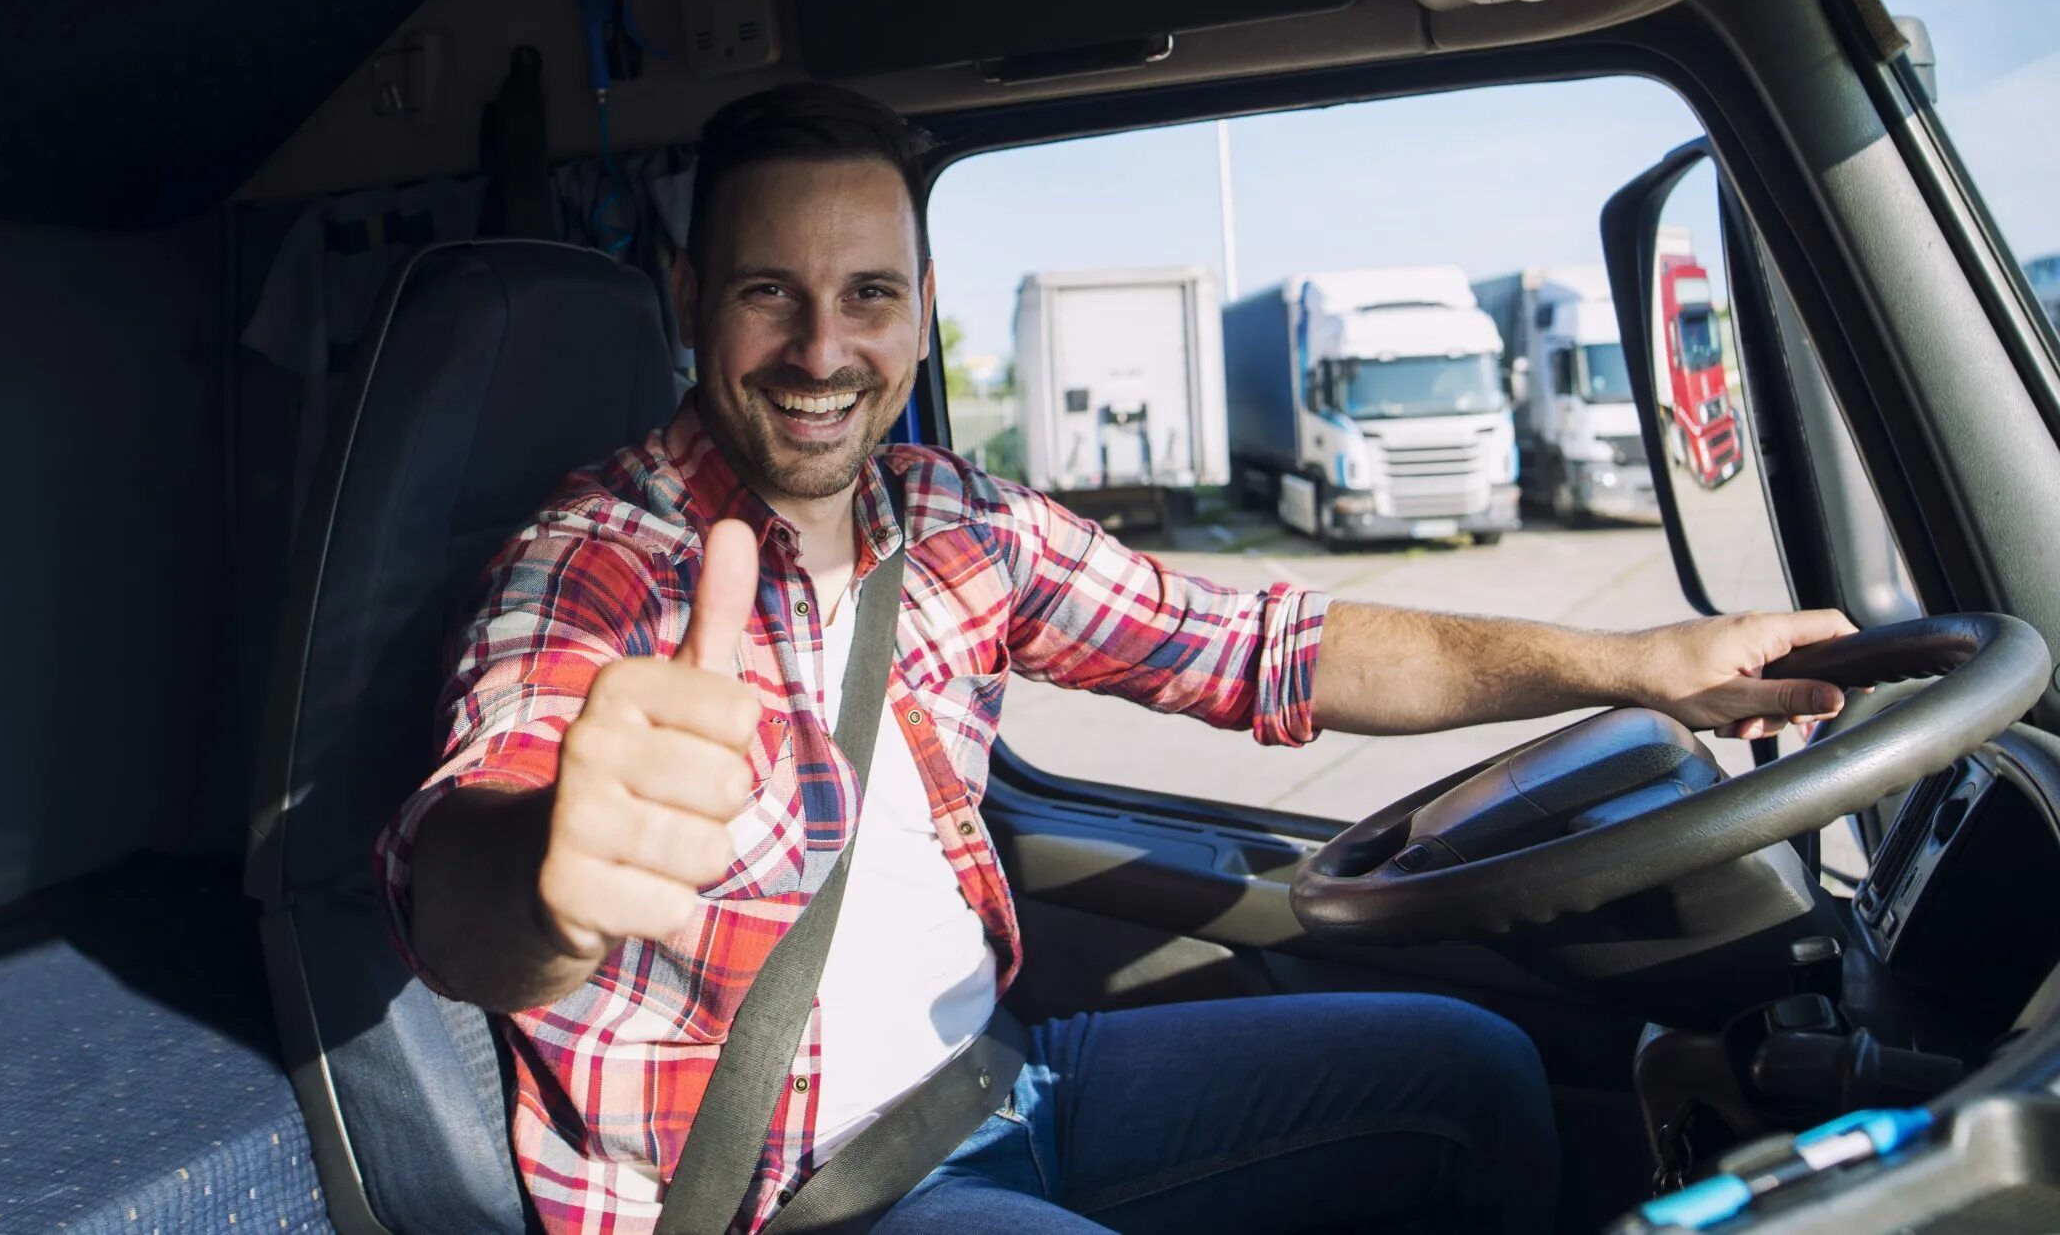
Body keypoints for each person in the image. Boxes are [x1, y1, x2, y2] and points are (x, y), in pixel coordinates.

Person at [378, 84, 1853, 1235]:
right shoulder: (600, 559)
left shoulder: (951, 523)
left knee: (1480, 1075)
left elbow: (1273, 646)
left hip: (1010, 1078)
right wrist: (549, 881)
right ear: (690, 291)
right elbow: (460, 876)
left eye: (869, 295)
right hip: (797, 1195)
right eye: (770, 291)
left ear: (924, 305)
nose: (822, 347)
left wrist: (1643, 662)